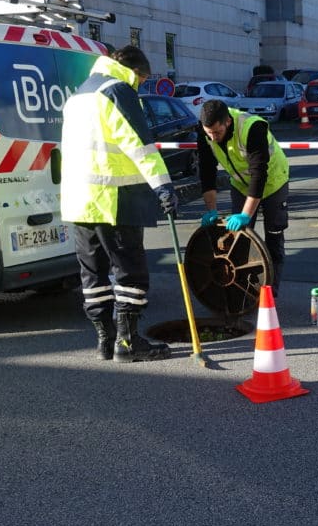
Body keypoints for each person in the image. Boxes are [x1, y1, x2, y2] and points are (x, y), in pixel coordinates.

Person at [60, 45, 178, 363]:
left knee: (93, 275)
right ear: (136, 72)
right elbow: (140, 146)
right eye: (143, 80)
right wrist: (164, 187)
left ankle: (104, 340)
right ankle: (128, 344)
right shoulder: (118, 90)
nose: (140, 86)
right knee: (129, 272)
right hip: (114, 199)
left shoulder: (79, 95)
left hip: (78, 201)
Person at [196, 99, 290, 296]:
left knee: (273, 240)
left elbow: (259, 174)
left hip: (273, 181)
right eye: (209, 133)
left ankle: (270, 295)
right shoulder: (204, 130)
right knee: (238, 240)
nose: (213, 138)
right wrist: (211, 210)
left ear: (227, 122)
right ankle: (244, 293)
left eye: (217, 133)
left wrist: (246, 215)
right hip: (240, 185)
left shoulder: (252, 127)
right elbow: (206, 172)